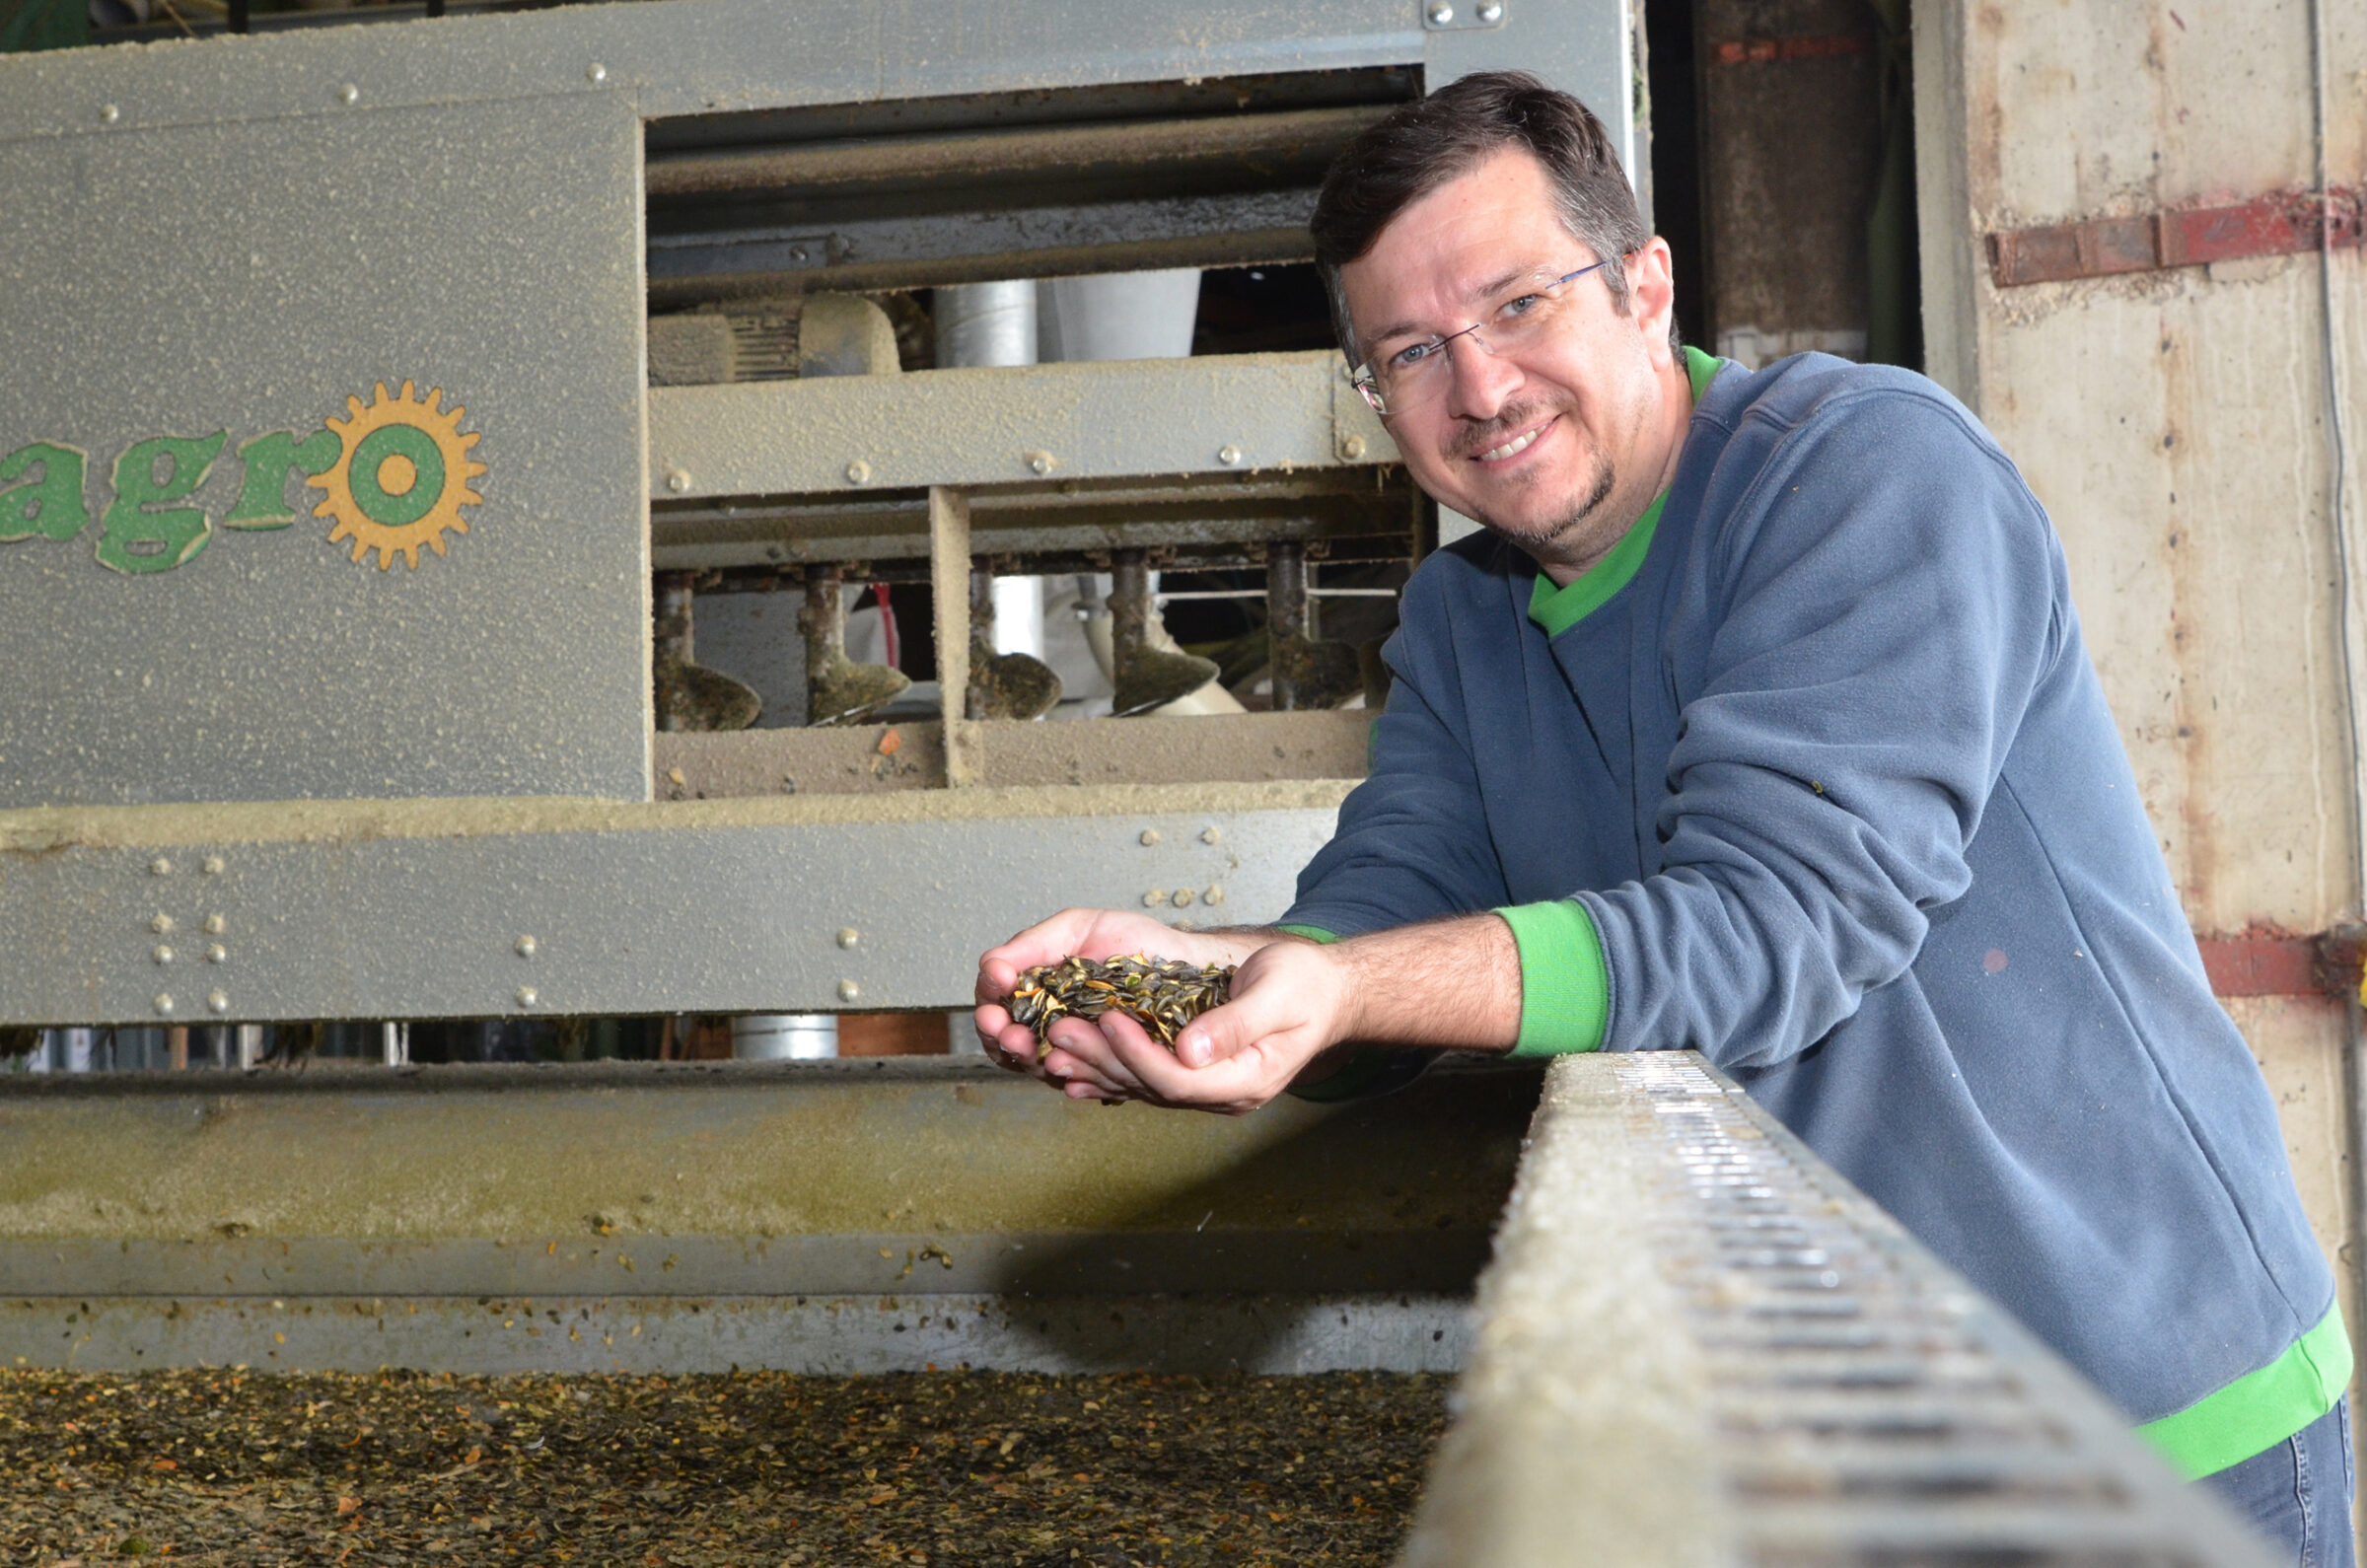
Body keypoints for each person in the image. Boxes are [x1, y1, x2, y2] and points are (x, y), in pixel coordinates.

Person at [972, 72, 2352, 1557]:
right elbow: (1389, 892)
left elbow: (1780, 924)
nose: (1480, 387)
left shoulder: (1862, 474)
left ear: (1646, 286)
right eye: (1411, 352)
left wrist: (1345, 987)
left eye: (1517, 305)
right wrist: (1210, 981)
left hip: (2132, 1425)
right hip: (1828, 1461)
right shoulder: (1462, 619)